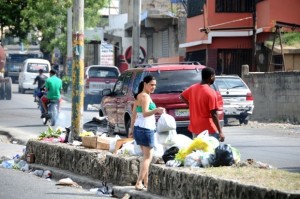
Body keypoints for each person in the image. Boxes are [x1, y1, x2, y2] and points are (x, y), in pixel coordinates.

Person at [129, 75, 165, 191]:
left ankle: (146, 183)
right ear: (145, 84)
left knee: (145, 157)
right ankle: (139, 182)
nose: (153, 87)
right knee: (148, 157)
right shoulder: (145, 96)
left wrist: (131, 129)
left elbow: (134, 114)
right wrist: (157, 110)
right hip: (146, 129)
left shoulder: (139, 95)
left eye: (154, 85)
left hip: (139, 128)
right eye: (151, 85)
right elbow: (145, 113)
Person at [180, 67, 225, 142]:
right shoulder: (211, 92)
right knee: (210, 151)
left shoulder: (192, 88)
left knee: (198, 152)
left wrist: (190, 105)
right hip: (208, 129)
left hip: (195, 127)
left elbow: (182, 96)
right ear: (211, 77)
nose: (215, 78)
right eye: (214, 76)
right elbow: (214, 114)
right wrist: (220, 132)